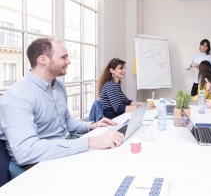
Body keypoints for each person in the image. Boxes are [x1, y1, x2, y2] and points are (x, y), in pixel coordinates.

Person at [0, 38, 124, 168]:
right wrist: (90, 142)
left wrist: (92, 125)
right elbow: (27, 151)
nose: (69, 62)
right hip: (38, 163)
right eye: (63, 57)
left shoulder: (58, 87)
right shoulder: (17, 95)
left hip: (64, 149)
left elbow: (66, 122)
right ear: (43, 60)